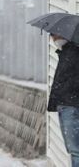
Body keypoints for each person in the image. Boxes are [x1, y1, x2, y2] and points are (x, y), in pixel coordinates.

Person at [48, 34, 79, 166]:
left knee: (75, 150)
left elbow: (68, 82)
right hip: (68, 104)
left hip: (70, 105)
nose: (52, 38)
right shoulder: (68, 52)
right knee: (74, 150)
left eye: (54, 34)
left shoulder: (72, 52)